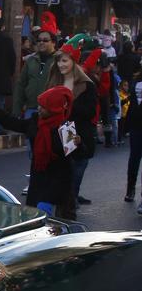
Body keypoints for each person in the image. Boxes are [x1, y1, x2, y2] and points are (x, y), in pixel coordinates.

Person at [0, 86, 75, 219]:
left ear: (53, 108)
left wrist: (78, 143)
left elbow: (77, 155)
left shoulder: (66, 129)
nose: (39, 109)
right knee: (34, 221)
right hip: (38, 178)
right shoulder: (36, 121)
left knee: (55, 224)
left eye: (43, 107)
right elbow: (14, 123)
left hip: (58, 182)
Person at [46, 43, 97, 207]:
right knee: (63, 167)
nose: (61, 64)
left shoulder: (87, 85)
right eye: (59, 61)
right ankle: (67, 198)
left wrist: (69, 104)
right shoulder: (54, 81)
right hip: (60, 129)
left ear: (74, 62)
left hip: (79, 130)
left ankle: (71, 196)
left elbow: (90, 112)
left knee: (78, 165)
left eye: (65, 61)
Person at [12, 29, 57, 121]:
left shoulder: (60, 61)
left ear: (53, 43)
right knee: (30, 135)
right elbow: (21, 85)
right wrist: (16, 110)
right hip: (31, 109)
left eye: (45, 40)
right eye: (39, 40)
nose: (41, 43)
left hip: (51, 111)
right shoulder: (31, 60)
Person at [124, 69, 142, 210]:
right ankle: (130, 189)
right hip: (136, 125)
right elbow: (132, 103)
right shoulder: (135, 80)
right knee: (134, 159)